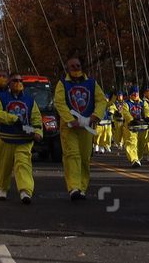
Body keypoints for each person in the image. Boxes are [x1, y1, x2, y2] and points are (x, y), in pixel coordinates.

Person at [53, 56, 107, 200]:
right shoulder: (62, 83)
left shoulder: (91, 83)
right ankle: (74, 187)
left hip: (87, 126)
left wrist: (95, 116)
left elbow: (101, 100)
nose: (76, 68)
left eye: (78, 65)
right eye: (72, 66)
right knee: (72, 155)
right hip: (69, 128)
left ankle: (82, 187)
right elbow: (59, 103)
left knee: (84, 157)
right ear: (67, 69)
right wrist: (71, 120)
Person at [0, 74, 44, 203]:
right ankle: (2, 188)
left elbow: (36, 118)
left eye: (21, 81)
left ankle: (25, 191)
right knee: (4, 166)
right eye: (15, 80)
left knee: (23, 165)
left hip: (24, 140)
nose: (18, 83)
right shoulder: (1, 98)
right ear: (9, 83)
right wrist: (13, 119)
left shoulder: (30, 100)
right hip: (6, 138)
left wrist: (37, 131)